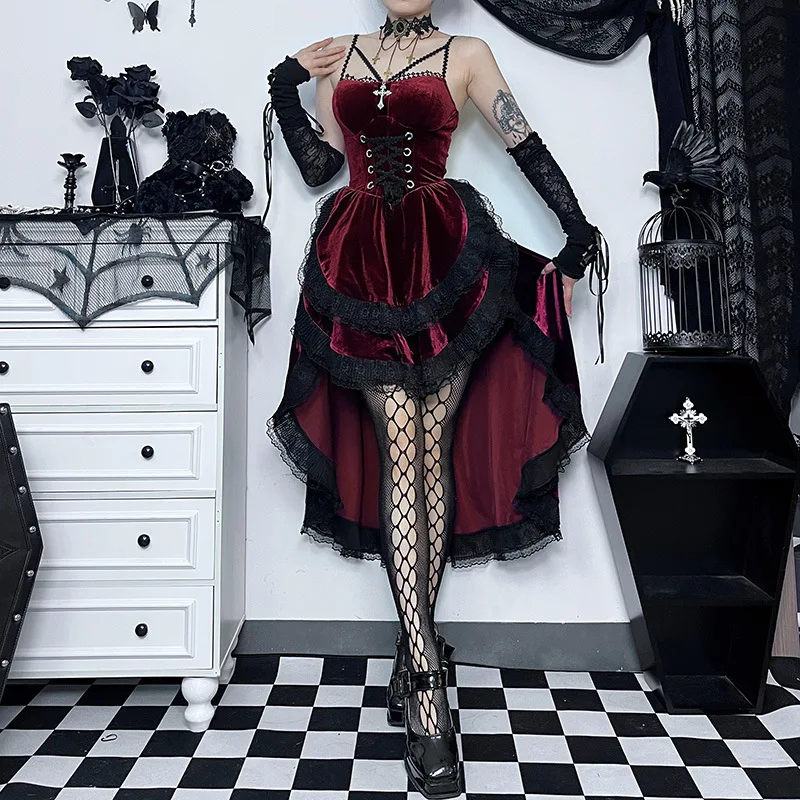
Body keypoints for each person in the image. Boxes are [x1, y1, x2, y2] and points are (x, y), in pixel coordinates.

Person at [266, 2, 605, 796]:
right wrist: (284, 86)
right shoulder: (342, 54)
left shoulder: (468, 51)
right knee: (401, 457)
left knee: (426, 456)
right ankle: (424, 673)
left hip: (444, 260)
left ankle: (417, 662)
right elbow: (321, 169)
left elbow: (523, 142)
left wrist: (577, 229)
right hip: (356, 266)